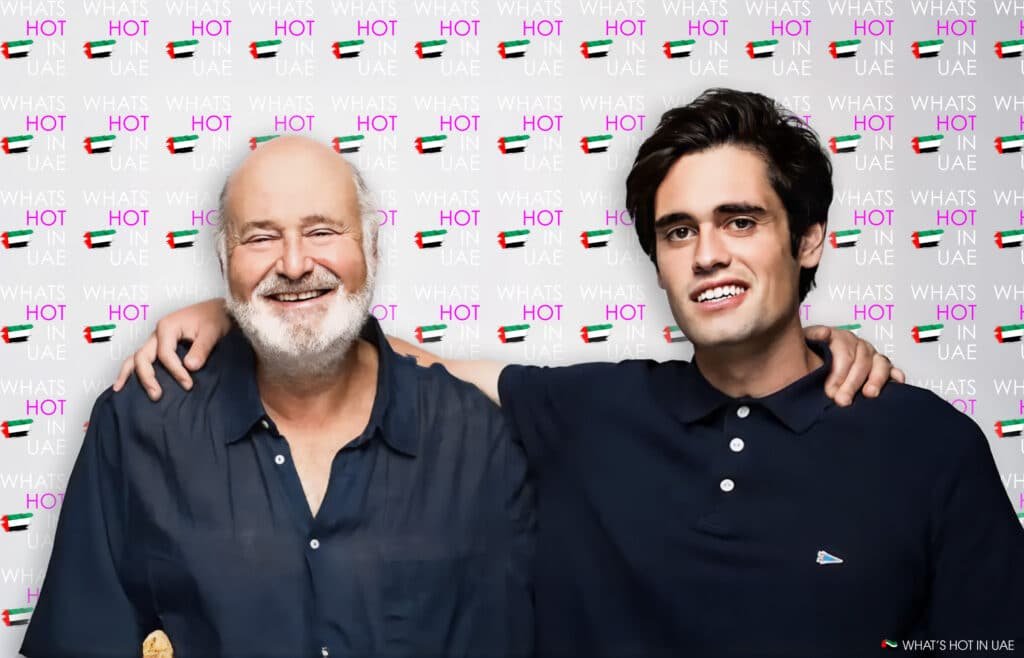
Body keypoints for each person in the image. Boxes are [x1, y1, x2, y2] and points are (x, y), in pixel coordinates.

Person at [113, 90, 941, 656]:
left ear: (808, 240)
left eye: (741, 220)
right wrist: (247, 309)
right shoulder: (588, 411)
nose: (709, 252)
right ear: (655, 258)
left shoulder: (925, 446)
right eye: (679, 230)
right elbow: (388, 357)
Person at [22, 136, 534, 658]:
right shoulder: (139, 427)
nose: (293, 263)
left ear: (372, 250)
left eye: (321, 231)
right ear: (224, 265)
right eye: (261, 238)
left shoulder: (477, 437)